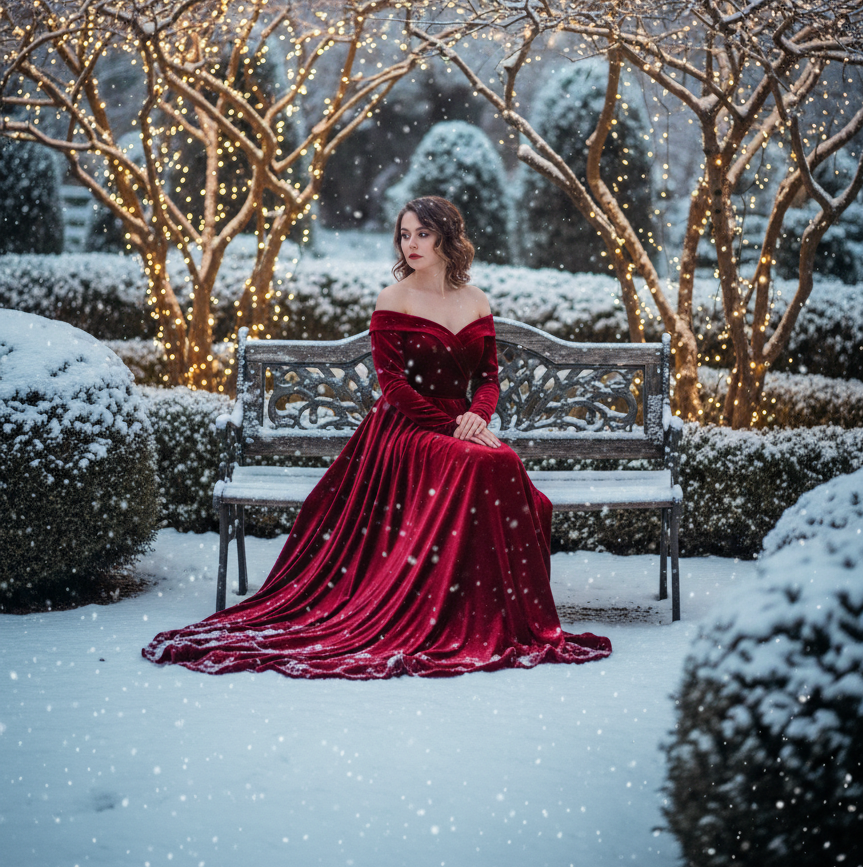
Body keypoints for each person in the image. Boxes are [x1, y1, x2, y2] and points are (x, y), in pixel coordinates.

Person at [143, 196, 611, 679]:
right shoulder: (395, 299)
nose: (411, 244)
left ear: (448, 237)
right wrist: (453, 426)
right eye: (405, 235)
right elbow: (394, 387)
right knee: (484, 462)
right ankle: (462, 609)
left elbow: (489, 378)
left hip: (461, 425)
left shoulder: (476, 300)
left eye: (423, 234)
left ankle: (487, 610)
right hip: (404, 429)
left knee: (500, 462)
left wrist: (477, 414)